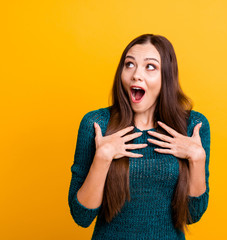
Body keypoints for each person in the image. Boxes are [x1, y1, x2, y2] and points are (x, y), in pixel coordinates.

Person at [68, 33, 211, 239]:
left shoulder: (193, 127)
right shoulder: (96, 124)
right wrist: (102, 158)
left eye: (150, 66)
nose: (136, 74)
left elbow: (192, 215)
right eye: (129, 64)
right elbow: (81, 216)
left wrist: (197, 158)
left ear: (166, 76)